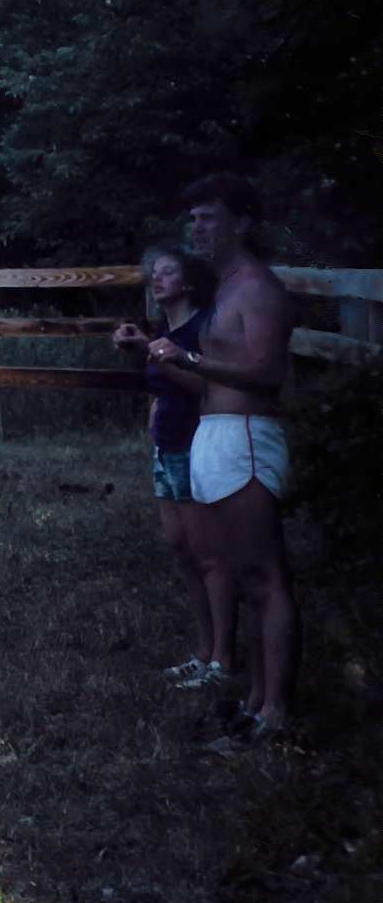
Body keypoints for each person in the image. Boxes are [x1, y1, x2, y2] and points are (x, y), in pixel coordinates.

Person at [141, 172, 298, 749]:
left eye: (208, 216)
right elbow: (206, 379)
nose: (196, 227)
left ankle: (276, 712)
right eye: (192, 218)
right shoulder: (225, 289)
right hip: (212, 435)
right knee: (242, 577)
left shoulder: (257, 288)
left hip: (246, 438)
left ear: (243, 222)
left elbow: (267, 373)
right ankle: (255, 700)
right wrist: (162, 359)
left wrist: (190, 359)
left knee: (265, 578)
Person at [112, 245, 226, 688]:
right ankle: (203, 651)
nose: (156, 279)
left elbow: (206, 388)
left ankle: (222, 661)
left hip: (194, 446)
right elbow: (162, 386)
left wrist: (152, 351)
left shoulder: (202, 328)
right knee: (181, 550)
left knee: (208, 555)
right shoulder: (164, 328)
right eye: (153, 273)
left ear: (190, 282)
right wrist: (142, 354)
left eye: (168, 272)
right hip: (164, 448)